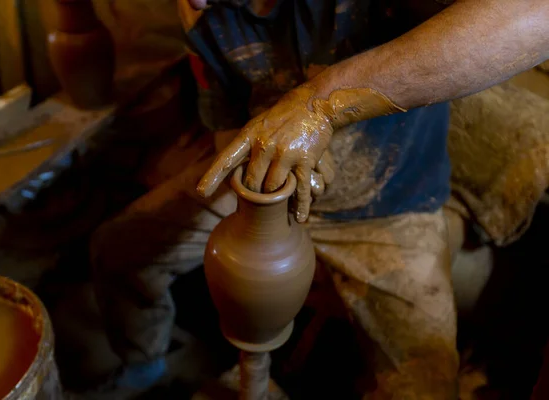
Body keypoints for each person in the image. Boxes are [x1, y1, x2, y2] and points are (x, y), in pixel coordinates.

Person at [90, 0, 549, 397]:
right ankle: (144, 369)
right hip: (266, 189)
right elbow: (226, 126)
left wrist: (320, 105)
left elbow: (536, 13)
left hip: (388, 197)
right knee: (117, 248)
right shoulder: (202, 13)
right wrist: (261, 191)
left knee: (425, 385)